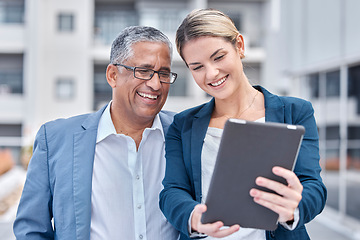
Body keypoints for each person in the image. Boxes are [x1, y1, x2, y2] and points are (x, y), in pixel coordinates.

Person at [159, 9, 327, 240]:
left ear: (239, 45)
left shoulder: (295, 112)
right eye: (197, 67)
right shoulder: (183, 125)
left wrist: (293, 208)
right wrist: (194, 218)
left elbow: (313, 186)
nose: (211, 73)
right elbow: (173, 191)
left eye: (218, 57)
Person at [13, 26, 180, 240]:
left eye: (163, 73)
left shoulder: (184, 133)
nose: (155, 84)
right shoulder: (56, 139)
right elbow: (31, 229)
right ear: (112, 75)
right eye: (144, 71)